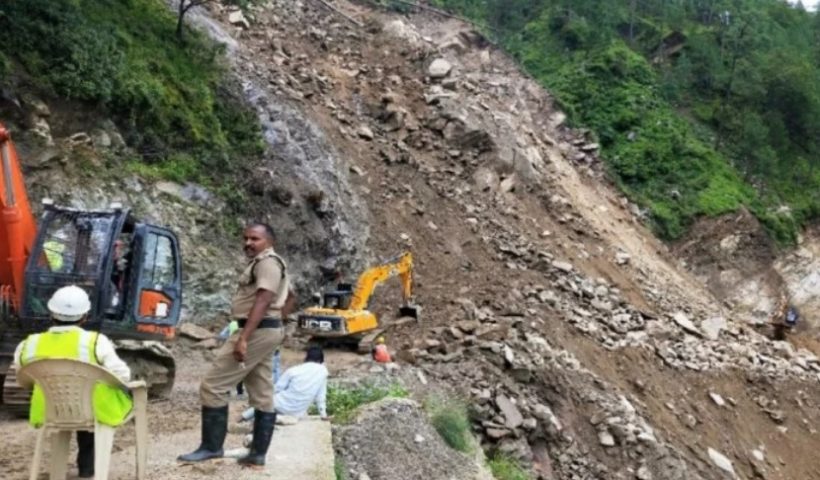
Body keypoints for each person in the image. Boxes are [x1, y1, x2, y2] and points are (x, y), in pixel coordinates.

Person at [178, 223, 291, 467]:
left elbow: (263, 298)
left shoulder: (268, 263)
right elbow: (291, 296)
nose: (248, 243)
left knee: (213, 385)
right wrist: (278, 324)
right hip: (266, 329)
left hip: (256, 330)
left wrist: (244, 338)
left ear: (269, 242)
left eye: (255, 239)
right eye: (246, 238)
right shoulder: (268, 263)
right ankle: (257, 454)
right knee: (262, 392)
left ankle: (211, 447)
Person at [13, 285, 132, 478]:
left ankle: (59, 469)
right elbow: (123, 375)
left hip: (50, 410)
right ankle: (88, 469)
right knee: (96, 405)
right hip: (94, 411)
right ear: (84, 316)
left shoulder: (29, 344)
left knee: (75, 410)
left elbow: (23, 379)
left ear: (51, 313)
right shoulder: (95, 341)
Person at [240, 345, 329, 422]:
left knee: (266, 402)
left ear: (307, 357)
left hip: (280, 404)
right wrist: (323, 414)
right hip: (297, 412)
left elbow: (277, 388)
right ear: (321, 359)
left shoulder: (294, 371)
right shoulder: (323, 372)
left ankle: (242, 417)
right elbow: (321, 396)